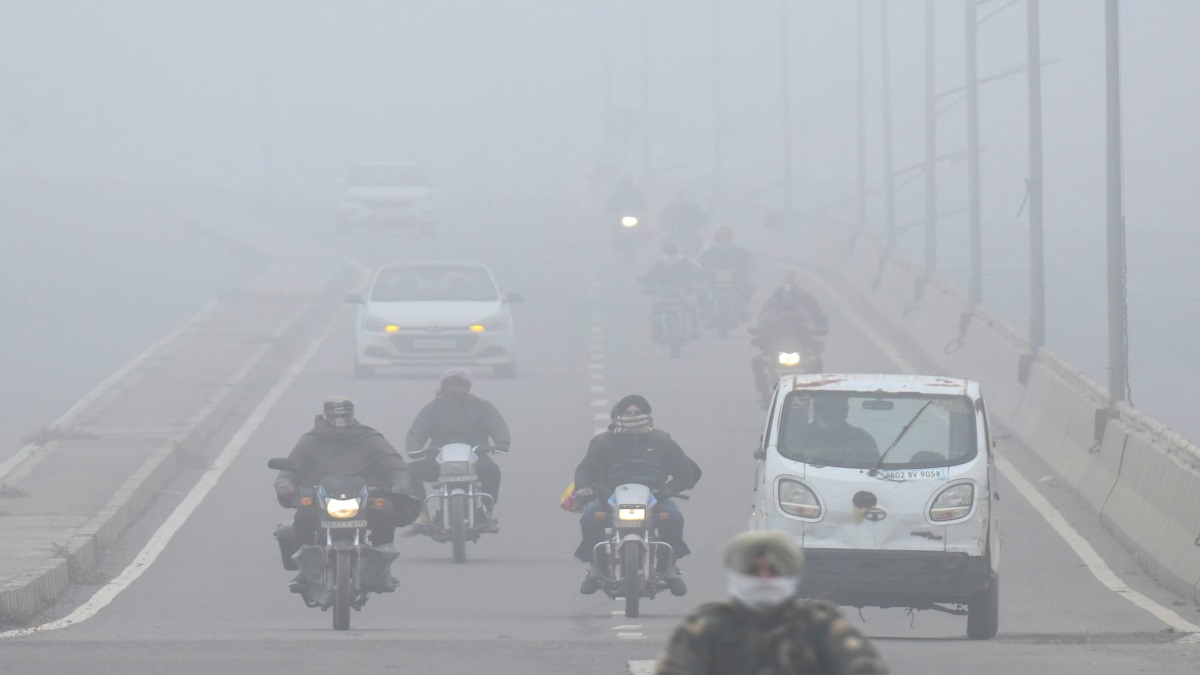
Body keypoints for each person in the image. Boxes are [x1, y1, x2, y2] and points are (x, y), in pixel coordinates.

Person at [655, 530, 890, 675]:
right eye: (753, 571)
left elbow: (864, 669)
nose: (764, 579)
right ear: (735, 575)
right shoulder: (706, 627)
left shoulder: (823, 625)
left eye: (774, 571)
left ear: (793, 575)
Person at [273, 397, 413, 587]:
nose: (341, 420)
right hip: (321, 499)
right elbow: (288, 472)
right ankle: (305, 571)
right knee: (304, 516)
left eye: (345, 415)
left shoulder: (370, 439)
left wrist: (399, 486)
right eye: (336, 416)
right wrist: (285, 486)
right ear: (325, 416)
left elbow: (395, 466)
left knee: (383, 514)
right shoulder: (309, 441)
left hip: (364, 498)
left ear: (352, 415)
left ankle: (382, 568)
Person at [571, 394, 701, 595]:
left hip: (656, 497)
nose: (633, 416)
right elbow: (586, 468)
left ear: (647, 415)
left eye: (637, 412)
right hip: (611, 497)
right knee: (590, 517)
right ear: (619, 416)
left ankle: (669, 568)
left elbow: (686, 473)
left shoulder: (663, 442)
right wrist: (583, 487)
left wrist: (668, 490)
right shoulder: (605, 443)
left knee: (674, 518)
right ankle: (596, 569)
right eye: (628, 413)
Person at [403, 368, 510, 535]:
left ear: (468, 387)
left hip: (476, 457)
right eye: (453, 385)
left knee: (492, 471)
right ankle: (422, 514)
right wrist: (414, 448)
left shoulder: (482, 407)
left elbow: (497, 425)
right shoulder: (431, 409)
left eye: (462, 385)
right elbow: (418, 431)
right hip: (438, 458)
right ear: (444, 388)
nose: (457, 389)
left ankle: (486, 512)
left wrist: (501, 443)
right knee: (409, 471)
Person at [641, 240, 705, 341]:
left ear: (665, 251)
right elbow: (701, 272)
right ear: (678, 250)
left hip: (665, 295)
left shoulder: (659, 263)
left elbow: (650, 277)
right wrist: (699, 285)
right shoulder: (688, 261)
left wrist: (649, 287)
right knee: (693, 309)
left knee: (655, 311)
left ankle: (658, 332)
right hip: (682, 293)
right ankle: (695, 331)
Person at [788, 396, 879, 465]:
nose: (829, 414)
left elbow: (873, 473)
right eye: (824, 408)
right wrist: (804, 455)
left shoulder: (862, 440)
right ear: (816, 410)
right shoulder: (797, 439)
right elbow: (789, 466)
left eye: (835, 409)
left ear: (845, 411)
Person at [698, 226, 757, 322]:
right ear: (717, 238)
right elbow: (700, 263)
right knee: (701, 288)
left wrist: (746, 268)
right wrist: (705, 270)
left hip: (735, 278)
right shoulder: (709, 252)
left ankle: (742, 308)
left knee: (749, 286)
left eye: (726, 236)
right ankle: (704, 310)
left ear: (730, 238)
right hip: (713, 278)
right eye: (721, 237)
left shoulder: (739, 251)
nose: (724, 239)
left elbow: (750, 261)